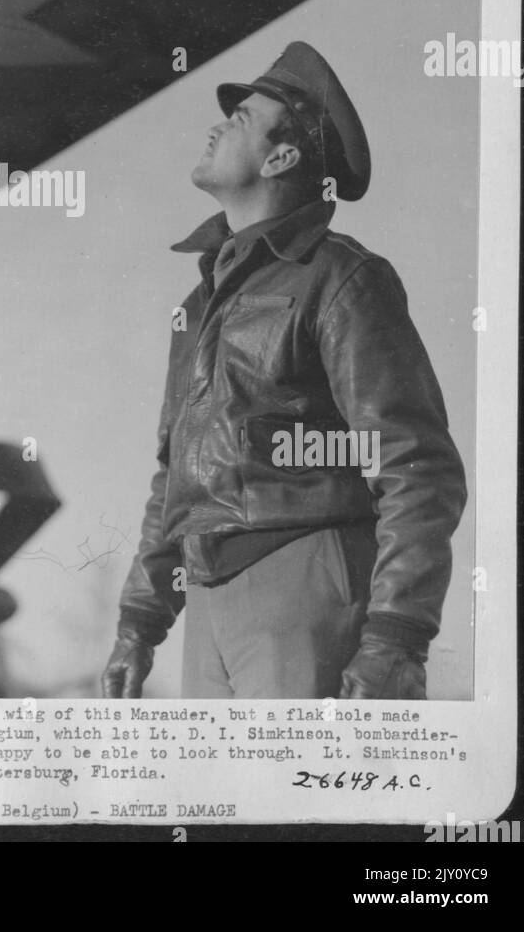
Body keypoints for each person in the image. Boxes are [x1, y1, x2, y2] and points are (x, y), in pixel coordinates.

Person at [102, 42, 467, 701]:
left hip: (301, 583)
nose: (216, 125)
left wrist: (395, 636)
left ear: (281, 156)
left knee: (296, 797)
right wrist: (139, 622)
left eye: (240, 118)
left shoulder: (340, 278)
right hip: (206, 601)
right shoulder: (199, 302)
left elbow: (415, 466)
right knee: (220, 802)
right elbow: (175, 480)